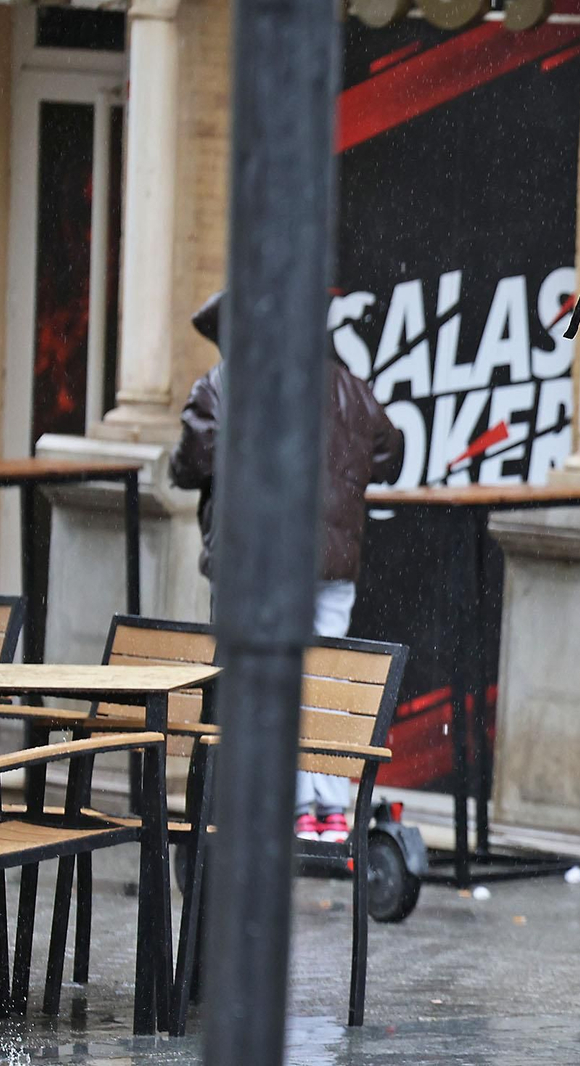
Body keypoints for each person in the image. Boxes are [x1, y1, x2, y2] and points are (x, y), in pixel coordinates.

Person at [170, 290, 402, 844]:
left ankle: (280, 807)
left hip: (261, 562)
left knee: (266, 682)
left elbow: (191, 460)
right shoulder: (348, 387)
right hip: (332, 565)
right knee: (322, 681)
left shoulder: (228, 382)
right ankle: (328, 810)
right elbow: (391, 452)